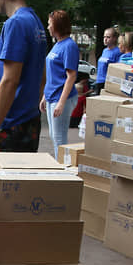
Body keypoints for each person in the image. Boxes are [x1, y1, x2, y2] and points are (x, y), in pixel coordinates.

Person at [0, 0, 48, 155]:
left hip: (12, 124)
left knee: (5, 183)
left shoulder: (16, 24)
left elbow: (10, 80)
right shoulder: (36, 22)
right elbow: (42, 74)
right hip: (30, 120)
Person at [40, 10, 80, 158]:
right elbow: (53, 75)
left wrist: (61, 103)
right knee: (53, 135)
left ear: (58, 25)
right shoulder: (57, 45)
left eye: (50, 24)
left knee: (59, 138)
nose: (48, 27)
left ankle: (62, 171)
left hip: (61, 97)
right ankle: (60, 167)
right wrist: (45, 96)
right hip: (52, 96)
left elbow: (71, 76)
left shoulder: (69, 46)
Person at [94, 27, 121, 94]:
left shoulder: (117, 52)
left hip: (107, 82)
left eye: (108, 37)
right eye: (104, 37)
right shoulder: (104, 51)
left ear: (114, 38)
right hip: (99, 81)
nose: (105, 39)